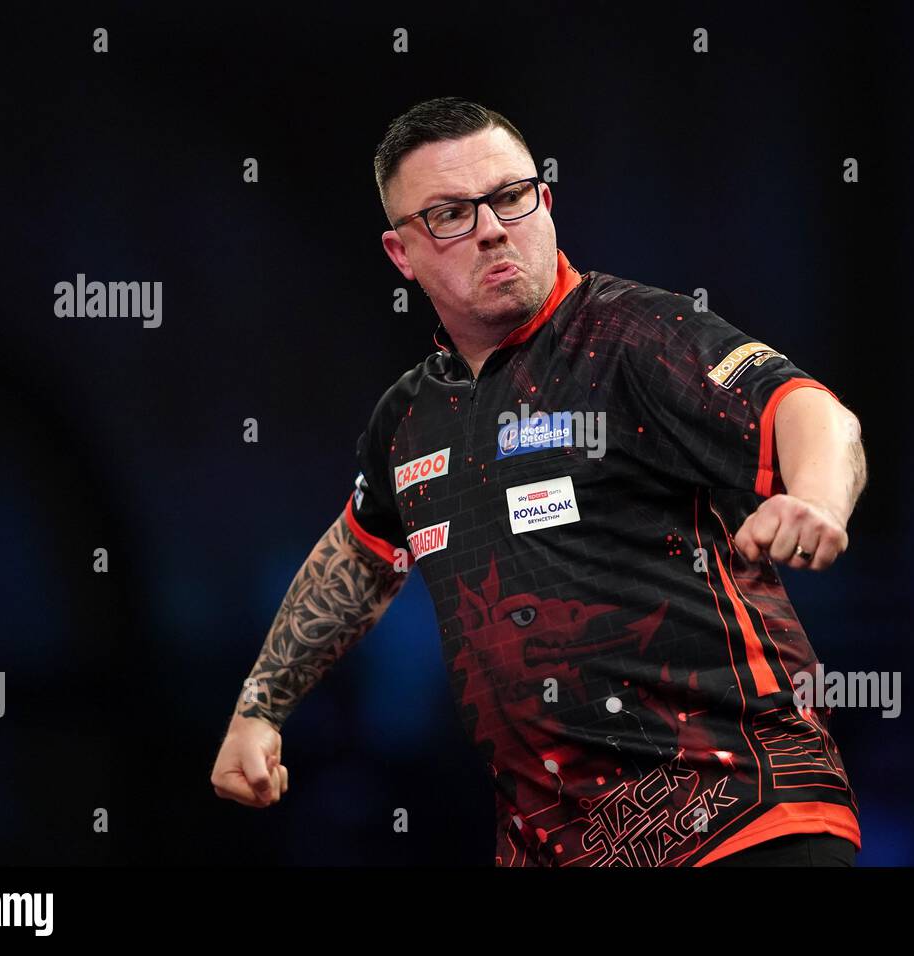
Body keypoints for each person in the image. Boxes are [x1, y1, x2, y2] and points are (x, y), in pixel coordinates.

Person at [210, 96, 868, 868]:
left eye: (512, 197)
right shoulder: (410, 419)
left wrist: (819, 499)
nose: (492, 227)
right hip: (552, 849)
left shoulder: (633, 335)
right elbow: (359, 560)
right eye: (451, 214)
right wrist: (259, 709)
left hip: (738, 820)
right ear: (401, 254)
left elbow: (813, 412)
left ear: (544, 201)